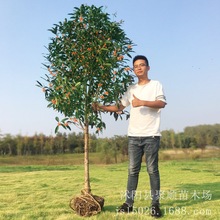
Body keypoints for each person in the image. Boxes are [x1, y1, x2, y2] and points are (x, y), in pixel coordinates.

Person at [94, 55, 166, 218]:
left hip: (151, 136)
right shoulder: (130, 89)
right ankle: (128, 204)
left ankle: (155, 205)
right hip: (134, 136)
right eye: (136, 66)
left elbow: (162, 103)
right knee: (132, 171)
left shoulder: (156, 85)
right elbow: (119, 107)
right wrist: (100, 106)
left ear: (148, 67)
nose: (139, 68)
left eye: (142, 65)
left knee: (152, 170)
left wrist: (142, 102)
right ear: (133, 70)